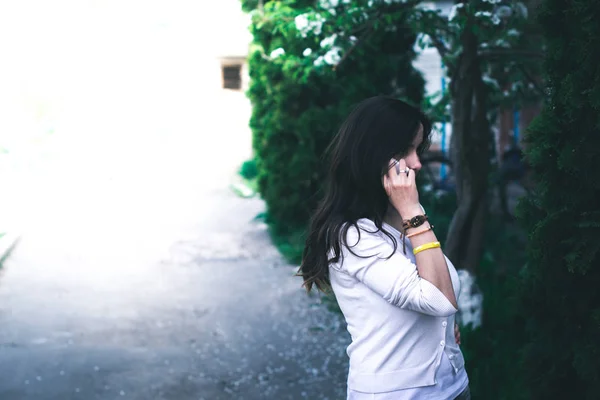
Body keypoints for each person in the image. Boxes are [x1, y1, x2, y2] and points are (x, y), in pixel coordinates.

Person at [298, 96, 470, 399]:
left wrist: (442, 331)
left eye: (418, 149)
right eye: (406, 150)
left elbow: (440, 302)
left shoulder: (403, 221)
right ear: (372, 155)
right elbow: (439, 299)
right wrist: (413, 212)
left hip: (453, 386)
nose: (417, 163)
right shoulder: (351, 236)